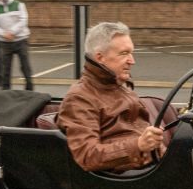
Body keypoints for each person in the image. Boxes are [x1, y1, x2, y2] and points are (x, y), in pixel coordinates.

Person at [58, 21, 166, 173]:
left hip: (153, 164)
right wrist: (138, 145)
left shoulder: (120, 85)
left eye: (131, 53)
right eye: (124, 53)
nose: (132, 61)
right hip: (127, 179)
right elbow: (88, 156)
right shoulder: (80, 98)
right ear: (100, 58)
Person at [0, 0, 33, 90]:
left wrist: (12, 32)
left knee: (25, 66)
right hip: (4, 43)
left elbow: (23, 20)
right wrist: (4, 34)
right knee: (5, 69)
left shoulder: (19, 5)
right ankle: (5, 91)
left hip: (20, 40)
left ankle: (29, 89)